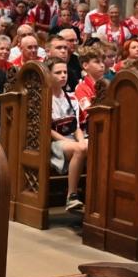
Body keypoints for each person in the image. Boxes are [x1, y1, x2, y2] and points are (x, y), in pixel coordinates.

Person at [46, 58, 87, 213]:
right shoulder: (44, 98)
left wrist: (82, 141)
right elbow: (47, 129)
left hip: (72, 140)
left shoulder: (72, 98)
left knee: (95, 146)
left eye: (65, 72)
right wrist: (75, 144)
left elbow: (76, 126)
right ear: (48, 75)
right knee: (79, 150)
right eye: (58, 72)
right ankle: (72, 196)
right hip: (53, 142)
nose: (63, 75)